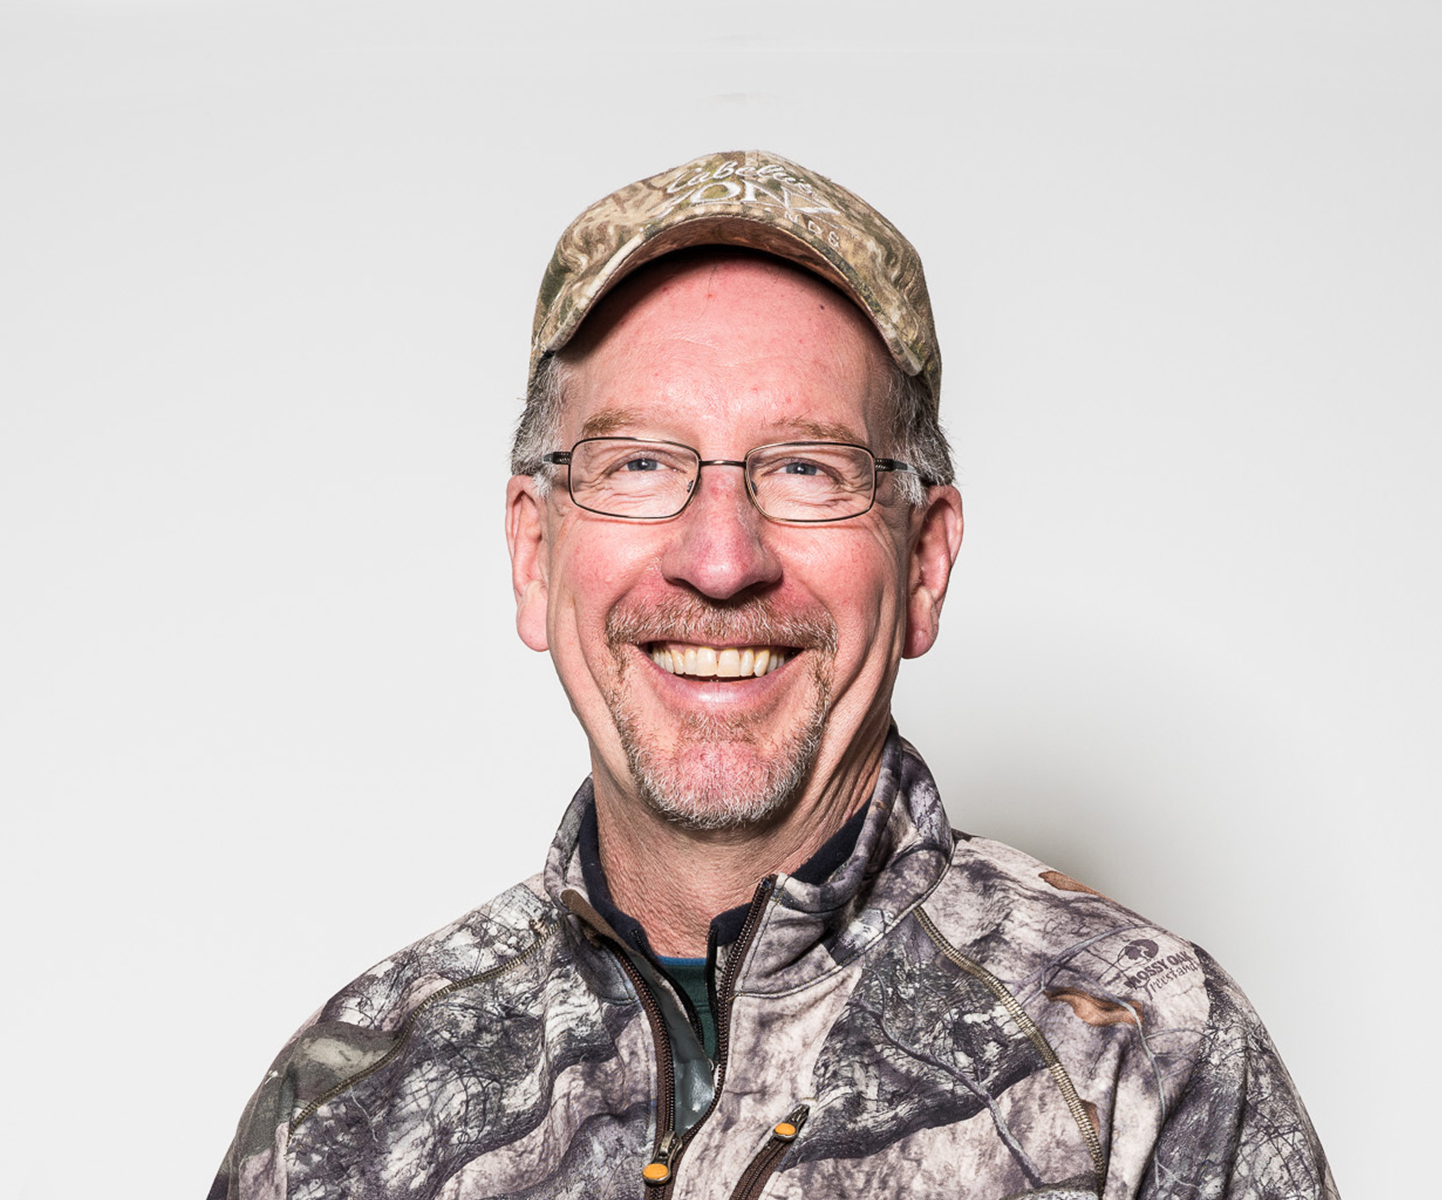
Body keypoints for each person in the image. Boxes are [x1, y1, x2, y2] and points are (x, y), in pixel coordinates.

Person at [207, 150, 1336, 1199]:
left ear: (924, 560)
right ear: (534, 551)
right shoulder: (348, 1111)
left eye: (805, 467)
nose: (720, 559)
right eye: (638, 462)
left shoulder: (1142, 1067)